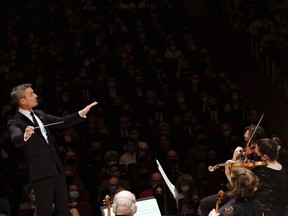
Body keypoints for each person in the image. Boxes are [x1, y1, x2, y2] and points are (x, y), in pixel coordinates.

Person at [7, 83, 97, 216]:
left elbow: (62, 122)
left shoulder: (39, 114)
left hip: (56, 168)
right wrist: (25, 135)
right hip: (41, 172)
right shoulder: (15, 122)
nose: (36, 95)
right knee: (45, 211)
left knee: (63, 209)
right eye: (31, 94)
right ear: (22, 100)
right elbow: (16, 138)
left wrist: (80, 113)